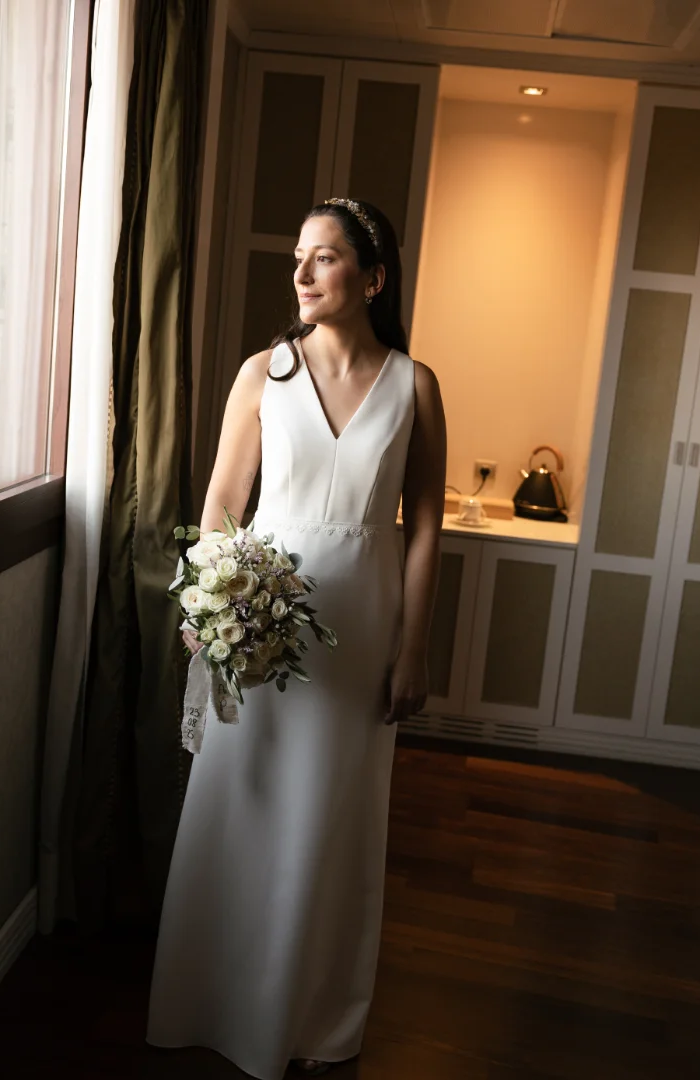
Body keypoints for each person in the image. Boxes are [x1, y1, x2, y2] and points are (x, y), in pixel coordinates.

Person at [143, 198, 447, 1079]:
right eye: (298, 258)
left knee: (331, 823)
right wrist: (210, 608)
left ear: (374, 278)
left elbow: (424, 528)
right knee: (241, 808)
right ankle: (210, 1003)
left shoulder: (415, 383)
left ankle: (310, 1015)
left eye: (325, 258)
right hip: (260, 626)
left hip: (364, 632)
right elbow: (221, 507)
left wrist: (415, 648)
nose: (302, 273)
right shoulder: (263, 373)